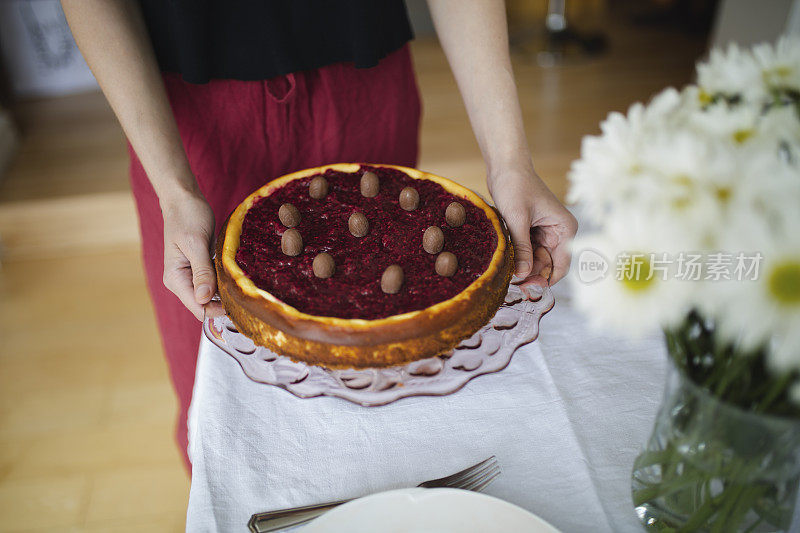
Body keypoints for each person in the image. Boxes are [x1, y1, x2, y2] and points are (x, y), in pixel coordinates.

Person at [61, 0, 578, 471]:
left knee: (386, 414)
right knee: (225, 430)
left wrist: (510, 162)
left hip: (363, 82)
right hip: (186, 119)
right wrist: (174, 192)